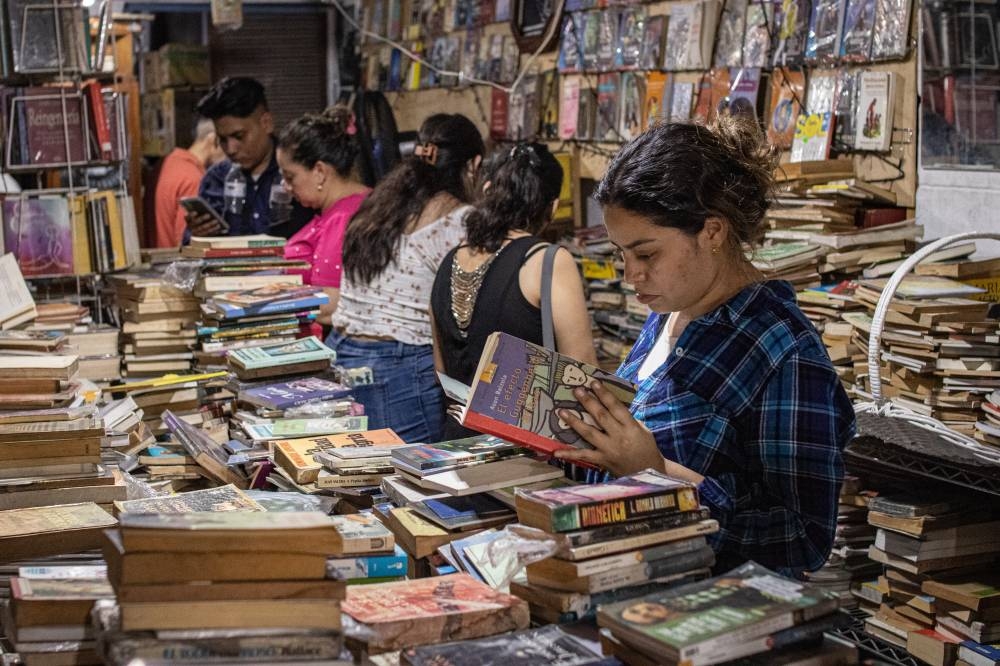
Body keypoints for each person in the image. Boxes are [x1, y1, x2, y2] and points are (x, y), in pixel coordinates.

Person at [553, 115, 856, 579]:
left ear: (712, 232)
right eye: (620, 254)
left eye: (646, 254)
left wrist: (657, 476)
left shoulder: (784, 352)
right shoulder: (668, 312)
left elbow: (803, 539)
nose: (629, 275)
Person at [329, 113, 485, 443]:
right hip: (401, 367)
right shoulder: (461, 220)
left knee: (359, 481)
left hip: (343, 353)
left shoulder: (379, 205)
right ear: (473, 165)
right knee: (414, 484)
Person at [430, 142, 595, 440]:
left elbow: (441, 368)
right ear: (553, 207)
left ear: (487, 190)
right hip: (524, 456)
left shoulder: (448, 261)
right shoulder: (547, 261)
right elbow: (583, 378)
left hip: (454, 446)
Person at [276, 105, 369, 324]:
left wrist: (269, 302)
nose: (285, 187)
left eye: (290, 177)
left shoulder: (343, 218)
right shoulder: (341, 210)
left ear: (319, 172)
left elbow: (332, 300)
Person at [189, 77, 313, 239]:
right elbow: (190, 249)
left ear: (266, 123)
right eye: (223, 139)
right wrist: (199, 235)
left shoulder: (300, 173)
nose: (230, 149)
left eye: (239, 136)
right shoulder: (216, 180)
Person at [152, 117, 224, 248]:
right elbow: (185, 242)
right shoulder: (194, 178)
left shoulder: (167, 163)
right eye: (225, 141)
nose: (231, 151)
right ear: (214, 140)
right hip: (170, 260)